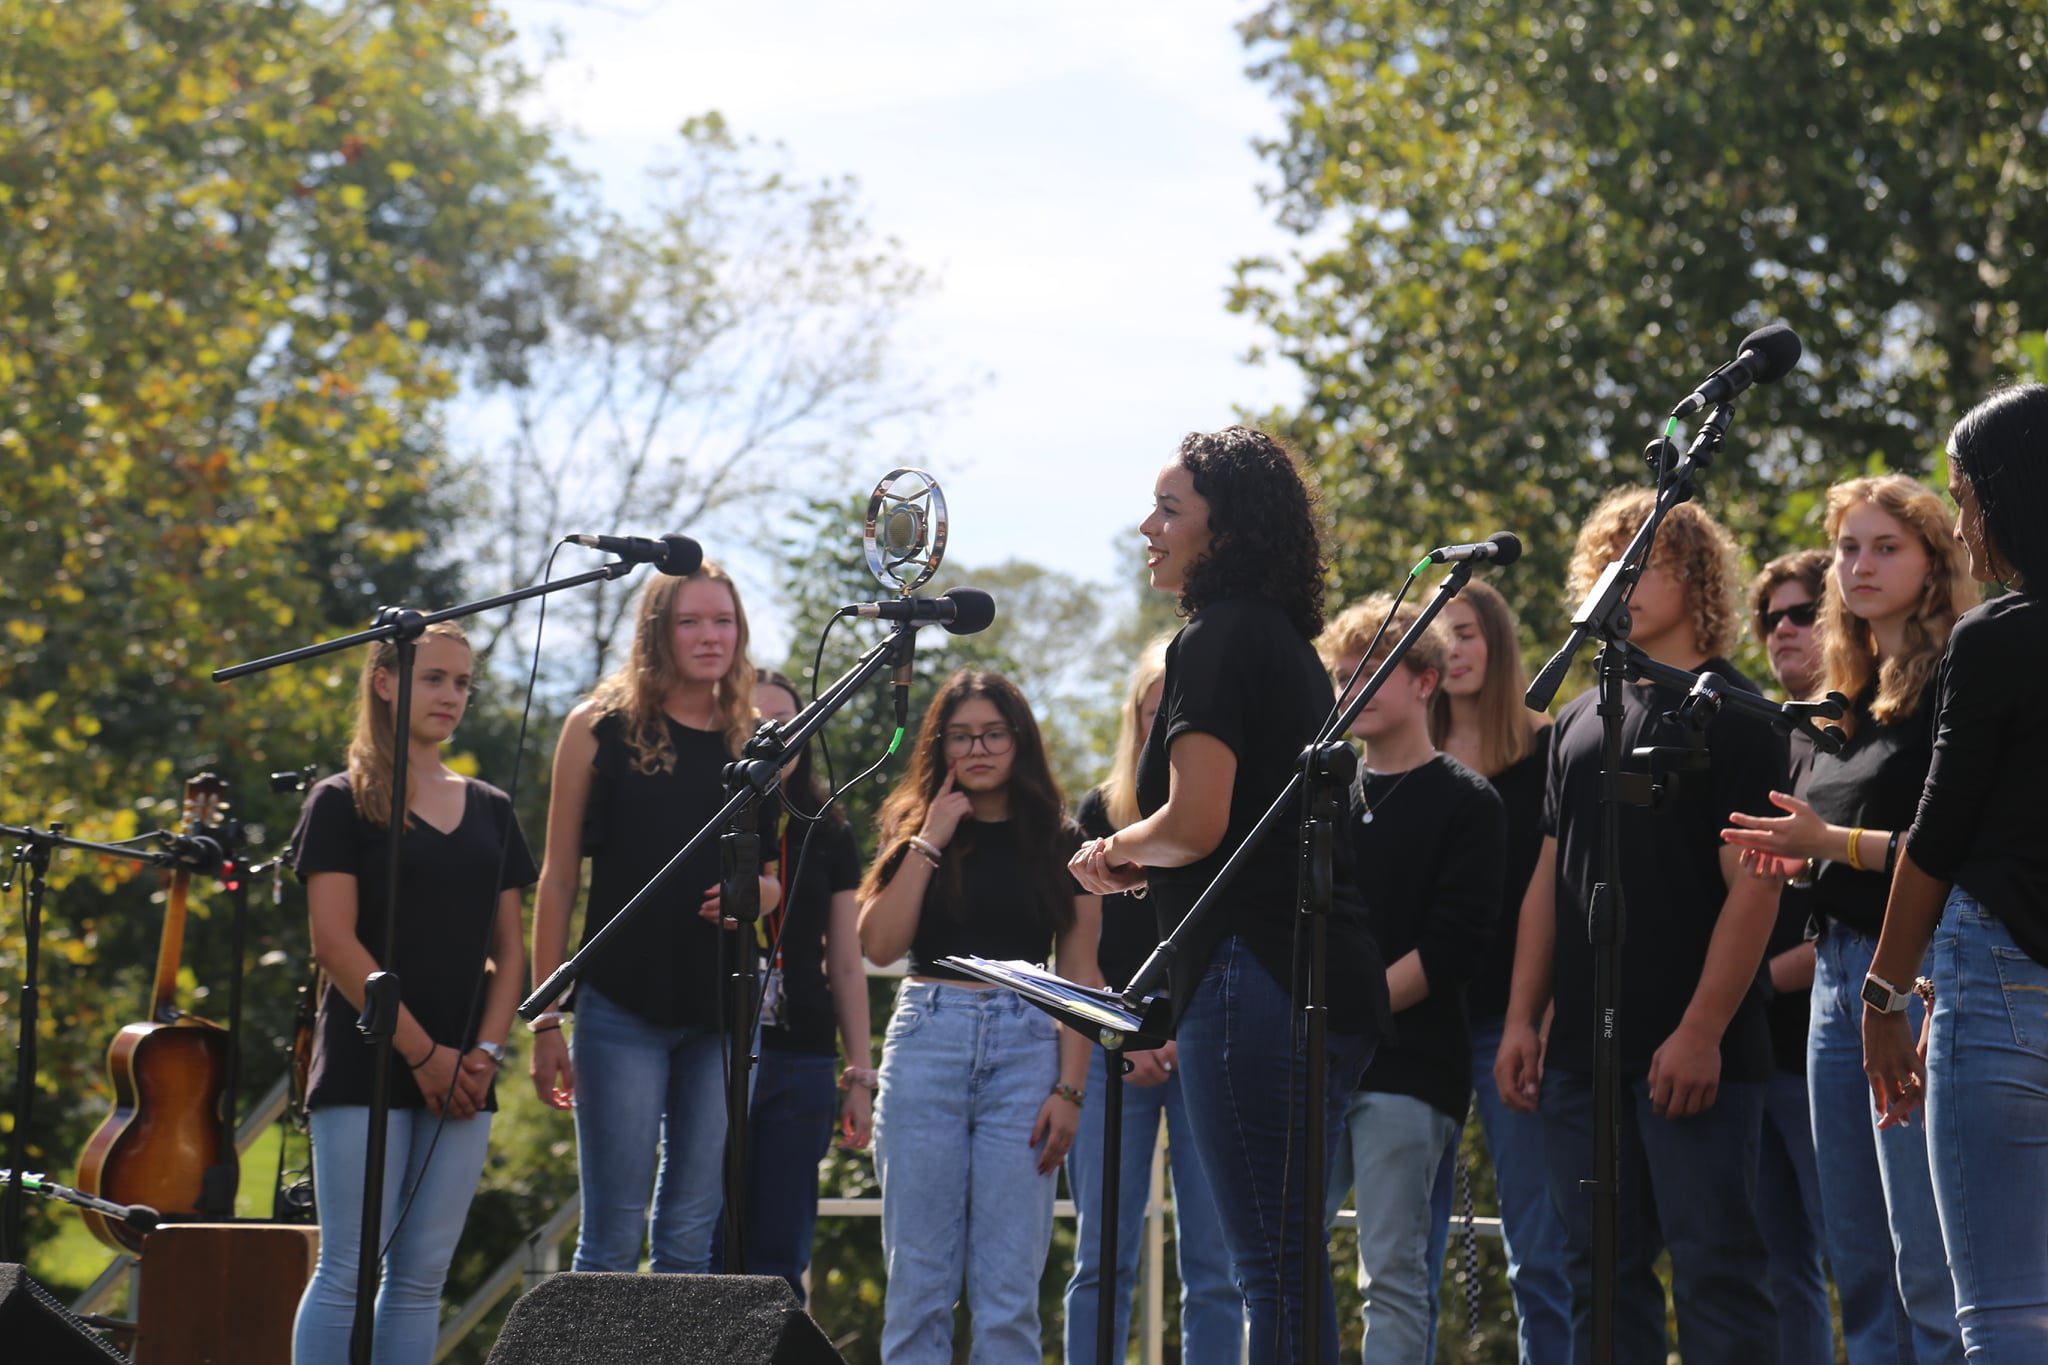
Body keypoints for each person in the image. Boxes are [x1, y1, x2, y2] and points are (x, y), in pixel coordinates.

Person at [1071, 425, 1384, 1363]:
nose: (1148, 527)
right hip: (1321, 975)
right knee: (1289, 1262)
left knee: (1271, 1271)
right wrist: (1152, 849)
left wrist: (1109, 849)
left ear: (1229, 530)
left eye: (1171, 509)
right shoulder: (1285, 642)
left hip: (1253, 979)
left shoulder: (1208, 642)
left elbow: (1196, 822)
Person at [1494, 488, 1783, 1364]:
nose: (1619, 576)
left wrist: (1701, 1031)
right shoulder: (1578, 717)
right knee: (1597, 1275)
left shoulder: (1737, 713)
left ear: (1695, 577)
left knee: (1717, 1277)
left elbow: (1758, 887)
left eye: (1645, 557)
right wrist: (1521, 1017)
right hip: (1583, 1059)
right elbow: (1551, 874)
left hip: (1699, 1056)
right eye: (1608, 558)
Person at [1727, 476, 1974, 1364]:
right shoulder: (1845, 699)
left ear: (1935, 561)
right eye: (1848, 548)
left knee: (1930, 1266)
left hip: (1918, 973)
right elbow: (1838, 842)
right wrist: (1805, 855)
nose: (1860, 565)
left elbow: (1948, 850)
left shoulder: (1958, 681)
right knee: (1861, 1268)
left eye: (1886, 547)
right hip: (1835, 979)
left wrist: (1829, 837)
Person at [291, 622, 534, 1364]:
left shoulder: (491, 807)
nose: (452, 696)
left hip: (463, 1074)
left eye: (462, 682)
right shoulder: (339, 801)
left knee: (422, 1280)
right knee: (347, 1270)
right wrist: (422, 1051)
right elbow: (334, 944)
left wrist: (484, 1054)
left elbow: (510, 949)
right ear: (386, 681)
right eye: (435, 678)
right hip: (370, 1064)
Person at [1864, 383, 2048, 1362]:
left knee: (2003, 1317)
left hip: (2002, 989)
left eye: (1962, 496)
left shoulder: (1993, 638)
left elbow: (1934, 837)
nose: (1962, 526)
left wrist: (1882, 992)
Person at [527, 562, 779, 1274]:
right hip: (620, 1005)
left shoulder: (759, 741)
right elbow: (556, 878)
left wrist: (758, 897)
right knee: (609, 1236)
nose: (710, 637)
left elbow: (774, 881)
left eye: (723, 621)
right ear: (655, 632)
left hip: (725, 1008)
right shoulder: (595, 727)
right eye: (690, 621)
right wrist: (546, 1017)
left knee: (689, 1237)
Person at [859, 669, 1101, 1365]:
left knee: (1007, 1294)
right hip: (928, 1038)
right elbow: (879, 944)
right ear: (941, 747)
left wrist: (1071, 1089)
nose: (979, 748)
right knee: (918, 1286)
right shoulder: (915, 827)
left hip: (1028, 1051)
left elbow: (1082, 973)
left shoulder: (1064, 841)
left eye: (994, 732)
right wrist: (931, 837)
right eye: (961, 735)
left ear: (1020, 740)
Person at [1320, 595, 1505, 1362]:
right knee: (1280, 1260)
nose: (1349, 689)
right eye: (1340, 675)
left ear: (1426, 681)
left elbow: (1452, 946)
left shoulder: (1469, 801)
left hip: (1408, 1067)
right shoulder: (1320, 795)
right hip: (1317, 1061)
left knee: (1392, 1271)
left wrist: (1347, 1011)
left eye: (1370, 671)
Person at [1061, 639, 1241, 1365]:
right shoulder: (1097, 812)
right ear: (1135, 716)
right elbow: (1076, 949)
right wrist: (1126, 1035)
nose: (1168, 719)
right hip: (1114, 1053)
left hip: (1206, 1042)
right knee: (1102, 1256)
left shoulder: (1226, 813)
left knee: (1215, 1264)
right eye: (1154, 705)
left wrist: (1182, 1031)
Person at [1429, 578, 1570, 1365]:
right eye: (1440, 635)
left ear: (1499, 643)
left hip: (1515, 1026)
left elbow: (1566, 896)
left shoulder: (1550, 747)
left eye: (1469, 632)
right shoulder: (1403, 751)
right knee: (1407, 1252)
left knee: (1539, 1248)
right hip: (1418, 1029)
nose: (1454, 649)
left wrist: (1543, 1017)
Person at [716, 669, 872, 1300]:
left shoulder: (827, 830)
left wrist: (860, 1072)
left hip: (801, 1053)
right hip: (714, 1050)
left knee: (780, 1259)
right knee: (704, 1243)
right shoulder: (707, 822)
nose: (775, 740)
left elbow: (847, 960)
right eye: (757, 727)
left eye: (790, 728)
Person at [1737, 548, 1837, 1365]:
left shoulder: (1858, 731)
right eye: (1771, 618)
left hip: (1833, 1033)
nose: (1784, 631)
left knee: (1863, 1251)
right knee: (1780, 1265)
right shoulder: (1772, 736)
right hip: (1761, 1043)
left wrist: (1753, 980)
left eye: (1803, 612)